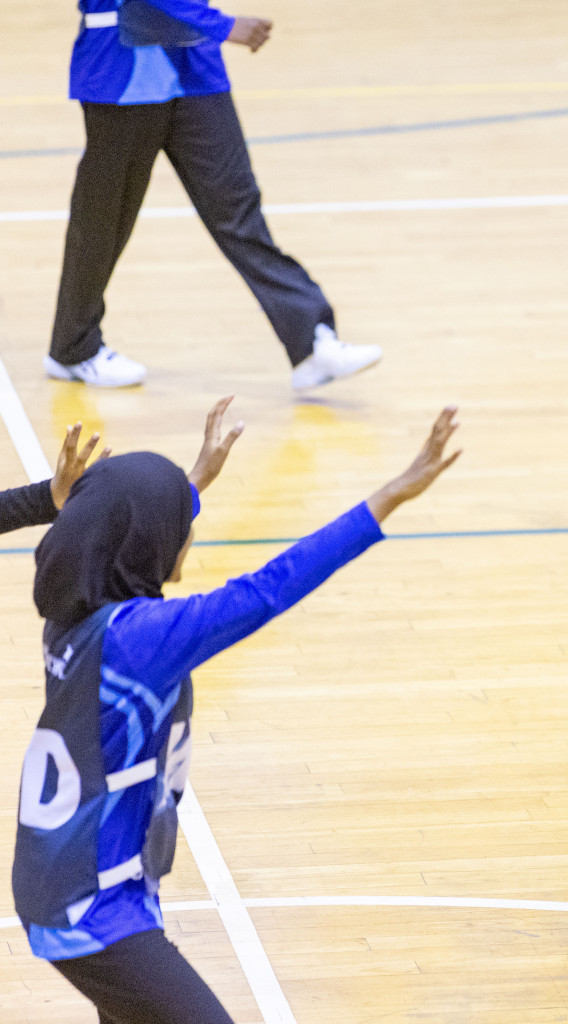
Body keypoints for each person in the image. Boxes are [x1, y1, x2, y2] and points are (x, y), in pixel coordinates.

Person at [12, 405, 460, 1022]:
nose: (188, 532)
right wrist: (389, 496)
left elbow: (121, 523)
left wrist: (195, 479)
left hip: (69, 881)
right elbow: (269, 589)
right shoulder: (145, 640)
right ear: (151, 544)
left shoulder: (78, 611)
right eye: (181, 522)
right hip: (92, 904)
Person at [48, 0, 381, 389]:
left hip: (194, 70)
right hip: (123, 69)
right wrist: (223, 25)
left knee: (238, 210)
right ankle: (74, 348)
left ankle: (311, 343)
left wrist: (211, 28)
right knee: (104, 220)